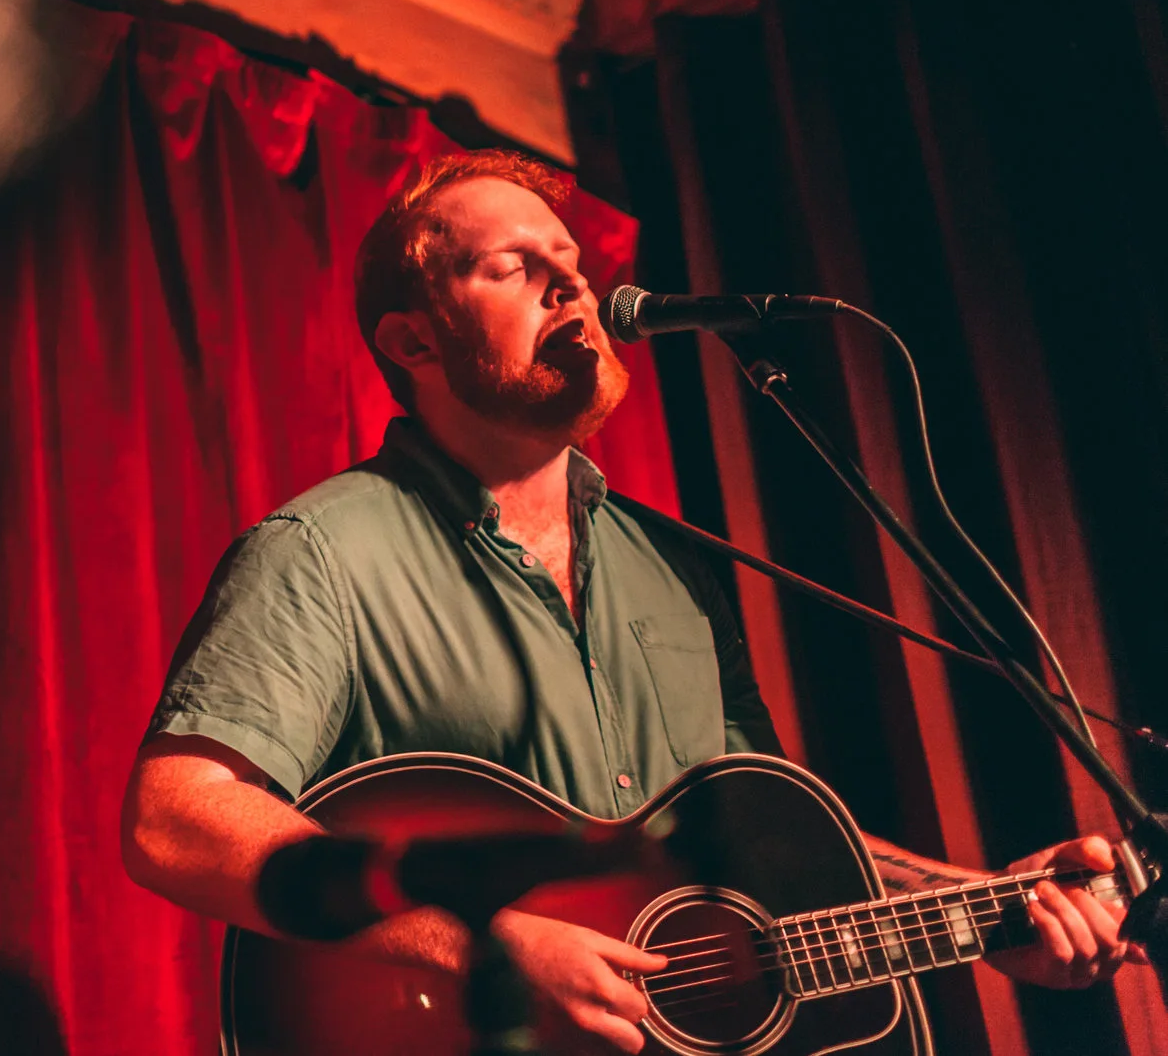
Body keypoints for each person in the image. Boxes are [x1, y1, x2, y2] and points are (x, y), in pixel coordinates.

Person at [120, 150, 1137, 1054]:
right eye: (514, 265)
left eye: (570, 258)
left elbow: (774, 837)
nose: (572, 279)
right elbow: (177, 818)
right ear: (416, 341)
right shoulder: (322, 553)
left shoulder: (673, 569)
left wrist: (990, 909)